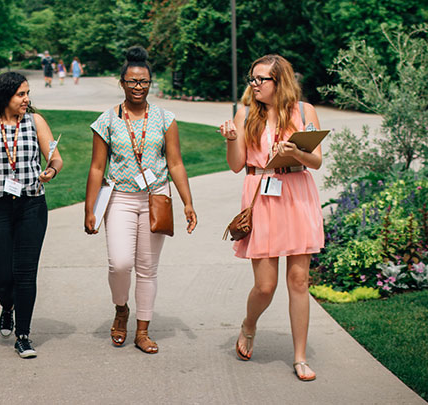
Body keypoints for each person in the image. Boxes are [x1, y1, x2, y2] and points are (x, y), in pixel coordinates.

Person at [84, 46, 197, 354]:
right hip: (120, 198)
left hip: (155, 197)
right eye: (132, 81)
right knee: (120, 264)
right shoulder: (107, 120)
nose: (138, 87)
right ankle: (121, 308)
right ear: (122, 82)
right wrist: (90, 208)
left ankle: (142, 331)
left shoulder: (165, 118)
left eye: (144, 82)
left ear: (150, 83)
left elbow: (175, 163)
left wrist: (187, 202)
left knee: (147, 268)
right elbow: (96, 167)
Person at [219, 54, 324, 381]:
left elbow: (316, 160)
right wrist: (232, 140)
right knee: (265, 286)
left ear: (279, 81)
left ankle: (300, 357)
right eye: (252, 78)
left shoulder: (305, 111)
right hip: (262, 193)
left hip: (297, 194)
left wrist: (296, 153)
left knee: (298, 280)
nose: (253, 84)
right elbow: (236, 165)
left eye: (260, 79)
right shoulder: (245, 113)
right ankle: (249, 324)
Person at [0, 71, 63, 358]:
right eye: (21, 94)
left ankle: (23, 335)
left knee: (25, 273)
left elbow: (55, 156)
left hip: (31, 204)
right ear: (5, 95)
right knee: (1, 277)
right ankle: (7, 305)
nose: (26, 99)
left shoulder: (35, 121)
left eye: (27, 93)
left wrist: (51, 170)